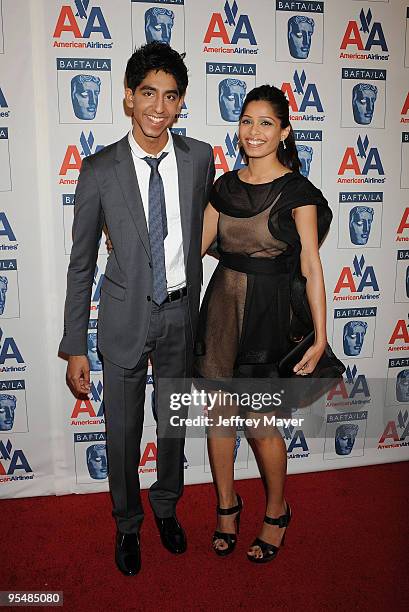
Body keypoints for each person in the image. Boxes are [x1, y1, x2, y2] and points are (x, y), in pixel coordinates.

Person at [59, 42, 215, 576]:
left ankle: (166, 506)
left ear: (181, 102)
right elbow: (82, 263)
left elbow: (206, 231)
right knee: (121, 434)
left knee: (171, 426)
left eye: (171, 96)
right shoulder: (99, 168)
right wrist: (74, 344)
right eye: (148, 93)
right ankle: (128, 525)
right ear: (128, 97)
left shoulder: (200, 158)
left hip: (178, 315)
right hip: (124, 316)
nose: (159, 108)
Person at [196, 84, 332, 563]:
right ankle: (227, 508)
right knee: (218, 419)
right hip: (219, 314)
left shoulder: (298, 192)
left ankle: (277, 511)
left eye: (266, 123)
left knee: (260, 425)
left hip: (268, 317)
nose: (253, 132)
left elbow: (312, 267)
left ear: (285, 131)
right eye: (247, 121)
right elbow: (194, 252)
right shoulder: (224, 187)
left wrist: (320, 337)